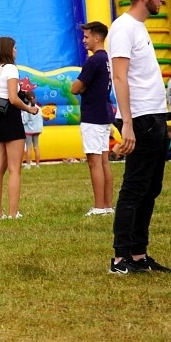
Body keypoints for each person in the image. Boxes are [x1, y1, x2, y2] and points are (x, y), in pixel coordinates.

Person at [109, 0, 171, 275]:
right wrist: (128, 124)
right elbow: (119, 76)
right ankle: (120, 258)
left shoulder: (140, 28)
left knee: (151, 188)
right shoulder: (123, 28)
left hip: (155, 116)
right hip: (140, 119)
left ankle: (138, 254)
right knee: (134, 188)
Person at [0, 37, 38, 219]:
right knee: (15, 168)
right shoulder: (11, 69)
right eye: (14, 48)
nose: (16, 51)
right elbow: (13, 98)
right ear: (8, 50)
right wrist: (29, 108)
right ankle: (13, 212)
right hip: (9, 116)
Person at [72, 21, 115, 217]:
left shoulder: (93, 61)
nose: (84, 40)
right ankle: (107, 204)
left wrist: (82, 88)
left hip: (92, 116)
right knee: (104, 161)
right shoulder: (106, 59)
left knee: (94, 161)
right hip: (105, 113)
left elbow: (75, 88)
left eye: (87, 36)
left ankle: (99, 206)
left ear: (97, 38)